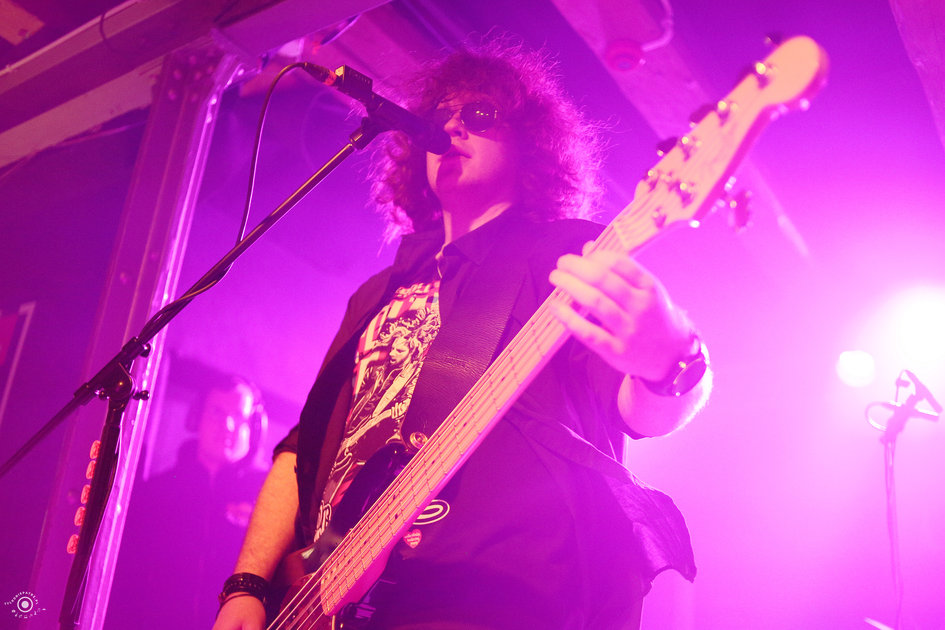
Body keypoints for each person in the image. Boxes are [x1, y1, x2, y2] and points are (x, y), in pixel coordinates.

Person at [213, 38, 711, 630]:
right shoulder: (377, 293)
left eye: (478, 113)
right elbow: (303, 450)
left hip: (494, 600)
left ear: (529, 144)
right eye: (439, 113)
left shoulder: (564, 257)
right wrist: (247, 585)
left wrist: (674, 361)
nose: (451, 125)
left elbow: (636, 412)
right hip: (325, 601)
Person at [107, 374, 268, 629]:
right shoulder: (157, 492)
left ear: (254, 429)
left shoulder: (269, 504)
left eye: (238, 416)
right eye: (217, 412)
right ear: (197, 417)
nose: (227, 425)